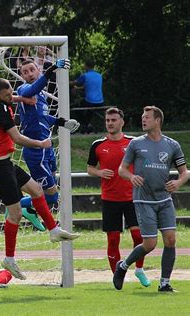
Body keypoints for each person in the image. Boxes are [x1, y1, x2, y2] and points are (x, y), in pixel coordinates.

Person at [0, 78, 80, 280]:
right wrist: (40, 144)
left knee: (36, 190)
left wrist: (22, 100)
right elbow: (17, 139)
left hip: (6, 164)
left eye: (12, 93)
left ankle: (53, 229)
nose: (12, 97)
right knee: (15, 215)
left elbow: (15, 98)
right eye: (8, 95)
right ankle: (9, 258)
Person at [113, 106, 188, 292]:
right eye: (142, 117)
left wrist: (178, 183)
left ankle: (164, 283)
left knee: (170, 240)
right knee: (150, 244)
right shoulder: (136, 144)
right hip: (143, 200)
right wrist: (131, 177)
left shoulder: (172, 145)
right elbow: (121, 170)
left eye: (147, 117)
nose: (143, 120)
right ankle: (123, 266)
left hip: (164, 200)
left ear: (157, 121)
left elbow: (185, 172)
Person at [87, 107, 150, 287]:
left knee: (139, 236)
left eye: (113, 120)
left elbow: (146, 161)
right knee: (113, 239)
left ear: (122, 122)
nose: (110, 123)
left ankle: (139, 269)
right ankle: (117, 275)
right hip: (110, 198)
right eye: (108, 120)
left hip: (132, 198)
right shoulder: (98, 145)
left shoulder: (133, 142)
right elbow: (90, 168)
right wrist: (99, 172)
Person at [16, 59, 80, 211]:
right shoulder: (23, 89)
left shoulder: (41, 96)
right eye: (25, 72)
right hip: (35, 151)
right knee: (51, 196)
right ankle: (16, 205)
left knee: (51, 187)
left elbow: (43, 117)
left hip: (48, 148)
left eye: (32, 70)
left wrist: (62, 122)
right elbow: (30, 91)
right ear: (22, 75)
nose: (30, 74)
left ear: (37, 70)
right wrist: (51, 70)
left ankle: (29, 209)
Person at [70, 59, 104, 133]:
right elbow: (90, 86)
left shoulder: (85, 76)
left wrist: (64, 82)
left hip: (90, 101)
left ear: (86, 66)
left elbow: (74, 83)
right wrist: (78, 88)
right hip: (100, 101)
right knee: (89, 111)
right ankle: (88, 125)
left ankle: (86, 125)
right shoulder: (99, 75)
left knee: (75, 108)